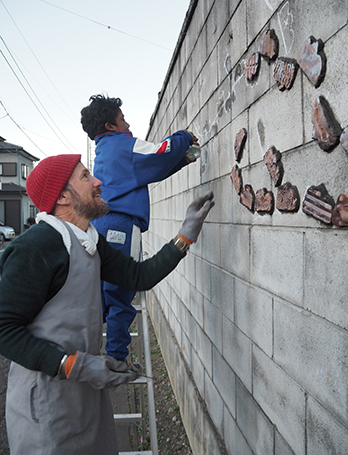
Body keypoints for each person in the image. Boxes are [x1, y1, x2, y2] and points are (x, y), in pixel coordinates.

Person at [0, 153, 214, 455]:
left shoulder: (90, 240)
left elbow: (138, 276)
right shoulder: (37, 247)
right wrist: (73, 364)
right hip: (45, 399)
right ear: (63, 195)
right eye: (86, 177)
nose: (98, 181)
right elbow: (4, 329)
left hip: (85, 391)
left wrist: (184, 237)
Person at [80, 94, 200, 366]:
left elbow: (146, 170)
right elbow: (160, 153)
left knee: (102, 291)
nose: (128, 124)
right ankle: (117, 359)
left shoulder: (106, 149)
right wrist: (183, 137)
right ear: (111, 125)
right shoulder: (123, 144)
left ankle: (93, 352)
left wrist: (181, 161)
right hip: (121, 225)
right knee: (123, 289)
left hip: (102, 224)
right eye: (122, 119)